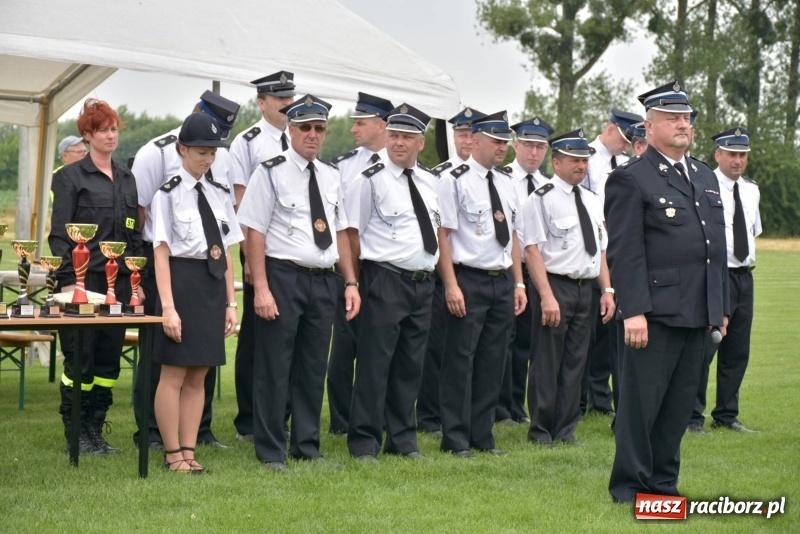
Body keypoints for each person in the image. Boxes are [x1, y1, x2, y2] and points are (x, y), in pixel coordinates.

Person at [605, 81, 729, 503]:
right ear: (649, 126)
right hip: (655, 313)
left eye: (686, 118)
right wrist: (634, 311)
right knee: (641, 407)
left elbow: (715, 248)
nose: (682, 124)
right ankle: (630, 487)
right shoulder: (631, 178)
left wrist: (719, 306)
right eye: (672, 117)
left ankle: (662, 486)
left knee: (678, 408)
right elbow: (625, 252)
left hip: (697, 311)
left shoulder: (704, 175)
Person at [237, 95, 360, 472]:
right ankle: (271, 448)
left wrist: (350, 281)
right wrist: (261, 288)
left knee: (312, 366)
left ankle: (307, 445)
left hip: (324, 280)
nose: (312, 134)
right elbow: (254, 232)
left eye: (319, 128)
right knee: (275, 365)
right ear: (290, 130)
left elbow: (341, 231)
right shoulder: (270, 172)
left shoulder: (331, 175)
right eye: (305, 127)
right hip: (283, 276)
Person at [131, 90, 240, 450]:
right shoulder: (167, 194)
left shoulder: (219, 193)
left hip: (211, 287)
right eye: (200, 152)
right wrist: (168, 308)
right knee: (173, 374)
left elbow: (225, 251)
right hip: (180, 284)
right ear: (182, 149)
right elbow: (161, 254)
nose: (207, 160)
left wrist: (230, 303)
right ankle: (172, 451)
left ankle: (190, 450)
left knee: (199, 376)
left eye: (212, 153)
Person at [49, 98, 143, 454]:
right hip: (83, 284)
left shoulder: (127, 179)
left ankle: (94, 427)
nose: (110, 135)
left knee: (107, 360)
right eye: (103, 130)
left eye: (114, 129)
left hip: (118, 286)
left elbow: (134, 235)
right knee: (80, 359)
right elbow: (60, 235)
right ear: (87, 135)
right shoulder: (69, 177)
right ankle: (75, 431)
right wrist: (68, 282)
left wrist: (136, 282)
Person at [346, 103, 439, 461]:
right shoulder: (369, 180)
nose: (399, 143)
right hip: (384, 279)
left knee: (410, 364)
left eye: (407, 137)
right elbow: (352, 235)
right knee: (375, 363)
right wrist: (355, 283)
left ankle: (402, 440)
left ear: (420, 143)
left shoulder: (431, 182)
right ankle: (364, 441)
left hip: (422, 282)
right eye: (395, 135)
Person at [436, 111, 527, 458]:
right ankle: (456, 439)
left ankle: (482, 435)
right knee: (461, 360)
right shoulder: (454, 180)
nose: (502, 147)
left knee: (493, 361)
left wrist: (518, 283)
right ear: (474, 141)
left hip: (500, 279)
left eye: (504, 142)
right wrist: (450, 285)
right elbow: (443, 235)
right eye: (496, 141)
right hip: (468, 278)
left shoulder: (506, 182)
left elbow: (513, 235)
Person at [523, 129, 615, 446]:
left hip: (585, 288)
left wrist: (607, 291)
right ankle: (541, 430)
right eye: (574, 160)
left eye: (584, 161)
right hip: (555, 286)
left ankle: (565, 429)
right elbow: (532, 250)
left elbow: (600, 250)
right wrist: (546, 296)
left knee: (576, 361)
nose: (581, 166)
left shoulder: (592, 200)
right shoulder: (541, 199)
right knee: (547, 361)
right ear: (557, 162)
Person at [228, 70, 296, 443]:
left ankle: (281, 413)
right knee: (257, 338)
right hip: (261, 250)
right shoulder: (248, 143)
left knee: (288, 337)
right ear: (261, 102)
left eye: (289, 97)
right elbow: (241, 201)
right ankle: (250, 420)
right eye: (279, 98)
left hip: (294, 253)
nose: (287, 103)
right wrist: (251, 260)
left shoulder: (299, 135)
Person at [327, 92, 394, 437]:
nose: (353, 128)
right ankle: (341, 421)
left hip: (387, 271)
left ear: (381, 125)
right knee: (344, 347)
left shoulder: (399, 167)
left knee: (381, 349)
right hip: (351, 268)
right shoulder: (342, 166)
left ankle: (379, 416)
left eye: (360, 123)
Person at [417, 107, 485, 437]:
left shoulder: (491, 177)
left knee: (472, 350)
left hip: (477, 272)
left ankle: (467, 413)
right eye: (461, 134)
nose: (467, 140)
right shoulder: (439, 175)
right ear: (453, 137)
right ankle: (430, 415)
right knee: (437, 345)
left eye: (472, 134)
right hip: (446, 271)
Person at [689, 128, 761, 434]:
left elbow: (752, 231)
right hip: (716, 276)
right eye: (732, 154)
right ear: (717, 154)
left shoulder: (751, 190)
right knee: (706, 348)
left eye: (743, 155)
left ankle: (727, 414)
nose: (738, 160)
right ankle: (692, 416)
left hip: (744, 276)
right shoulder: (704, 187)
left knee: (737, 350)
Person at [581, 109, 642, 420]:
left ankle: (602, 398)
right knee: (589, 330)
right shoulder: (588, 158)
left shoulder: (626, 163)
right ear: (610, 129)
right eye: (623, 139)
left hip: (619, 249)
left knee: (610, 329)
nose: (626, 146)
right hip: (592, 248)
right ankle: (585, 397)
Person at [494, 116, 554, 426]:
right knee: (504, 342)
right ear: (515, 145)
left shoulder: (548, 186)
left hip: (538, 273)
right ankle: (501, 407)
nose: (534, 152)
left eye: (540, 147)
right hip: (509, 270)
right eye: (528, 145)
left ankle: (518, 406)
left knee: (528, 345)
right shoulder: (501, 179)